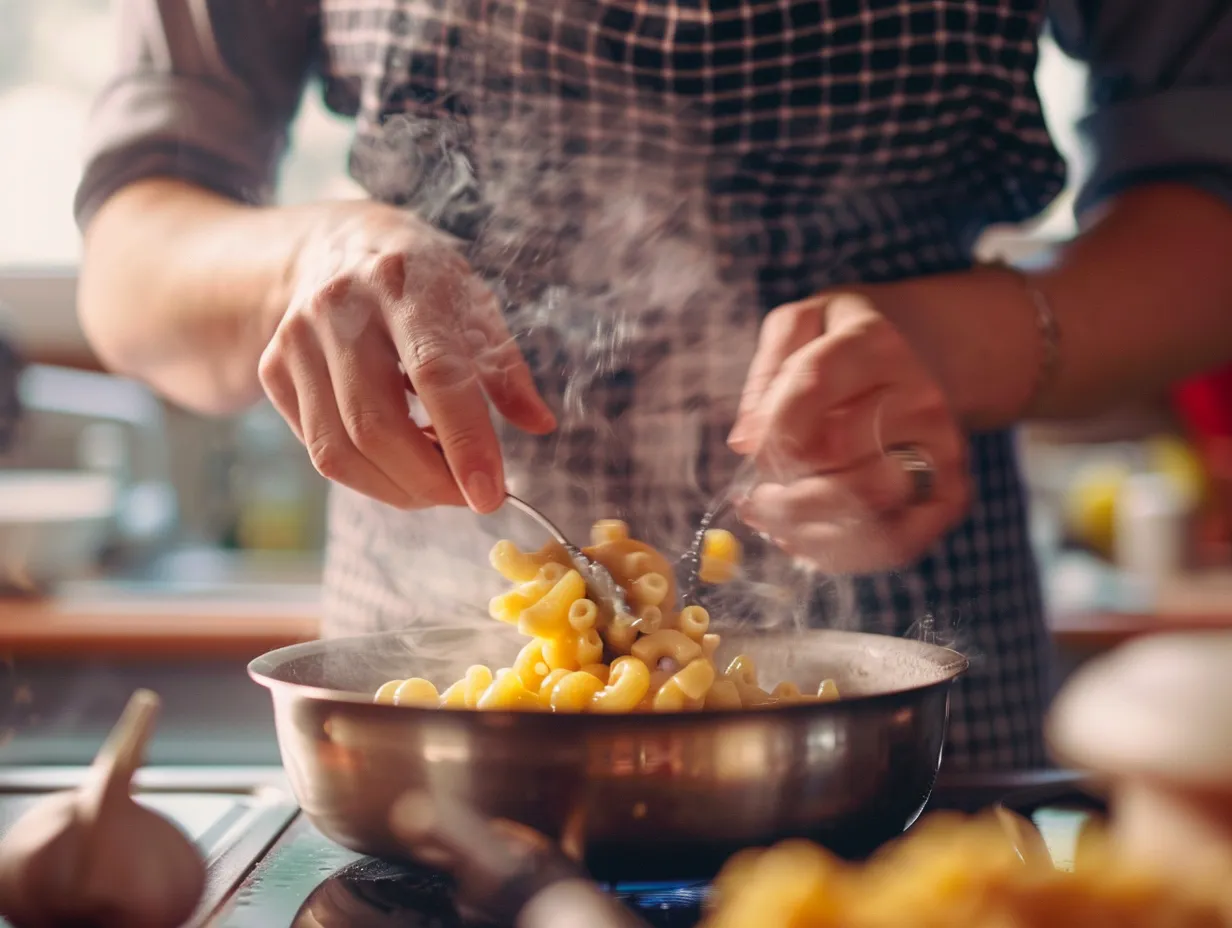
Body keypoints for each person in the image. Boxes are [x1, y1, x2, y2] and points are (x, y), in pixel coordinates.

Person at [75, 0, 1232, 771]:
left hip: (905, 724)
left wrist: (958, 339)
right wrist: (297, 257)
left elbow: (1207, 203)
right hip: (440, 727)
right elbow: (132, 253)